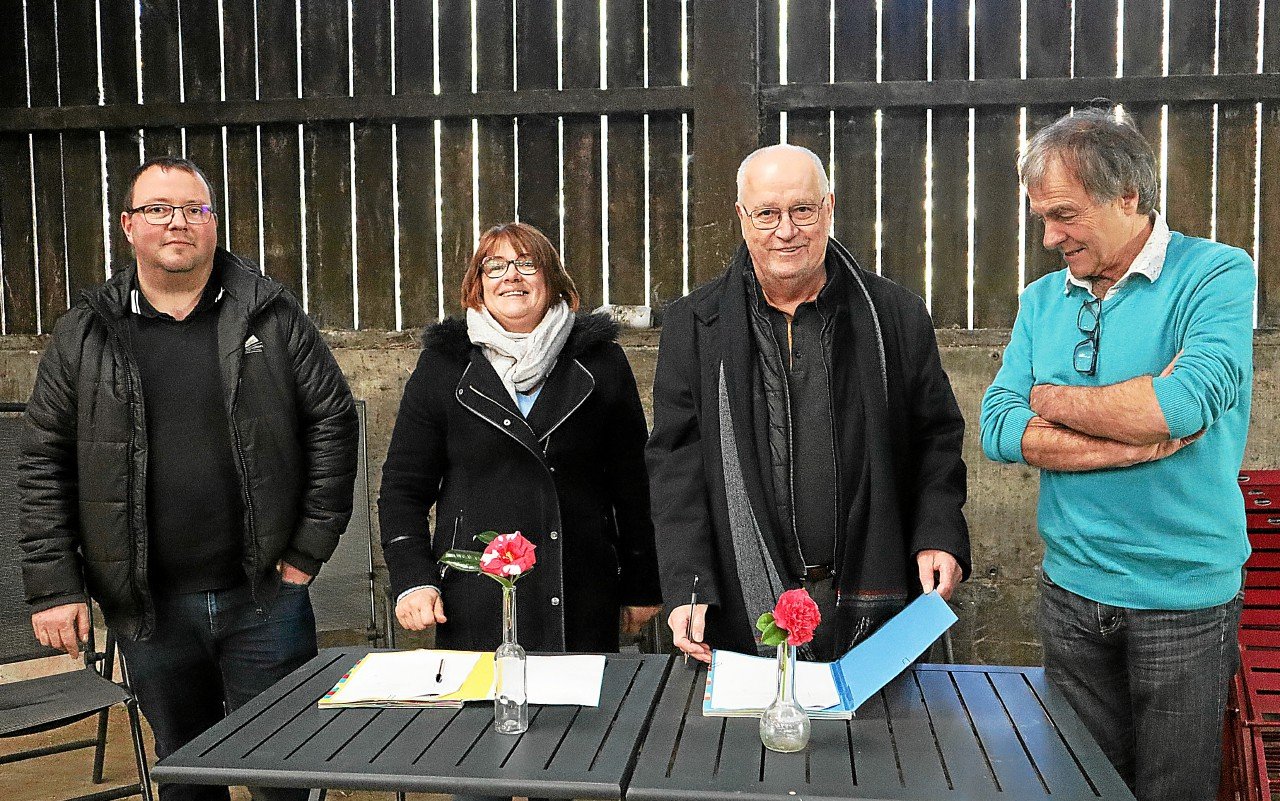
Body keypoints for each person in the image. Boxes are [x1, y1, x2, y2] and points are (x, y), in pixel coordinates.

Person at [19, 156, 359, 801]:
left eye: (193, 209)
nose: (177, 222)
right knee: (187, 773)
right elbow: (44, 463)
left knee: (285, 772)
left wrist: (307, 553)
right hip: (149, 608)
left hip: (265, 598)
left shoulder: (272, 317)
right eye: (157, 209)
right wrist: (54, 587)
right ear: (127, 226)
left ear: (212, 223)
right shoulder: (85, 332)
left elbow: (334, 427)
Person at [979, 108, 1252, 801]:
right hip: (1070, 592)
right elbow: (995, 427)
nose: (1048, 237)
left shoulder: (1215, 275)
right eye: (1041, 216)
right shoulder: (1042, 299)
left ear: (1128, 196)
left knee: (1175, 791)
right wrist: (1123, 445)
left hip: (1182, 598)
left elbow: (1180, 406)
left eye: (1064, 214)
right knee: (1078, 787)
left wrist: (1048, 398)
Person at [646, 143, 970, 663]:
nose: (786, 230)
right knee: (750, 745)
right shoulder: (694, 325)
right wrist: (688, 581)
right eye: (767, 213)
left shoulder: (896, 316)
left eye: (802, 210)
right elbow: (675, 464)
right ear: (742, 218)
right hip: (740, 599)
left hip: (876, 588)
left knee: (883, 742)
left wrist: (939, 532)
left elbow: (936, 436)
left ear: (829, 208)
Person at [379, 221, 663, 655]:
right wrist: (413, 579)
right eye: (495, 267)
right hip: (475, 596)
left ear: (552, 280)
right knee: (480, 720)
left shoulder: (600, 361)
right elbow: (402, 489)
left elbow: (633, 484)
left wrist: (642, 583)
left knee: (583, 720)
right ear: (478, 286)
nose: (511, 276)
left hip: (580, 590)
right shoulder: (443, 366)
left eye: (527, 264)